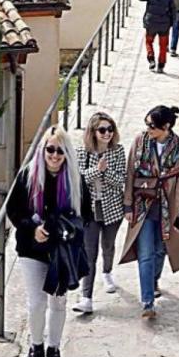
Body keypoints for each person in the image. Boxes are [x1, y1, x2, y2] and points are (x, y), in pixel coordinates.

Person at [6, 126, 90, 357]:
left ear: (67, 154)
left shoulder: (76, 180)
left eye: (60, 150)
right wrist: (33, 229)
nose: (54, 155)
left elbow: (85, 215)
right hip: (32, 249)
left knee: (58, 302)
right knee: (36, 303)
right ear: (43, 150)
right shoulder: (27, 177)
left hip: (61, 252)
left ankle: (53, 351)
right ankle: (36, 348)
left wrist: (66, 229)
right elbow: (14, 211)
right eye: (50, 149)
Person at [120, 105, 179, 319]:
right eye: (147, 125)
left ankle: (153, 281)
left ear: (166, 126)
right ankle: (147, 302)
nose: (148, 129)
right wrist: (127, 205)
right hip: (143, 206)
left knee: (162, 249)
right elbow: (130, 174)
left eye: (152, 126)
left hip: (166, 208)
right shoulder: (140, 142)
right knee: (145, 253)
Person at [73, 112, 127, 314]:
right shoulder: (82, 152)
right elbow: (78, 179)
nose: (107, 133)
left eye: (110, 129)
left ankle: (107, 271)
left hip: (112, 208)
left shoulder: (118, 151)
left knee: (108, 245)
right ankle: (86, 297)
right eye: (102, 130)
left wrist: (105, 171)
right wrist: (97, 169)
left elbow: (120, 180)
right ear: (93, 132)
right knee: (89, 253)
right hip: (90, 211)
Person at [137, 0, 175, 73]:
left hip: (151, 23)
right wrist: (171, 23)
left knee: (149, 42)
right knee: (163, 45)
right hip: (164, 24)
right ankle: (161, 65)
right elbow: (173, 10)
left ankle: (151, 59)